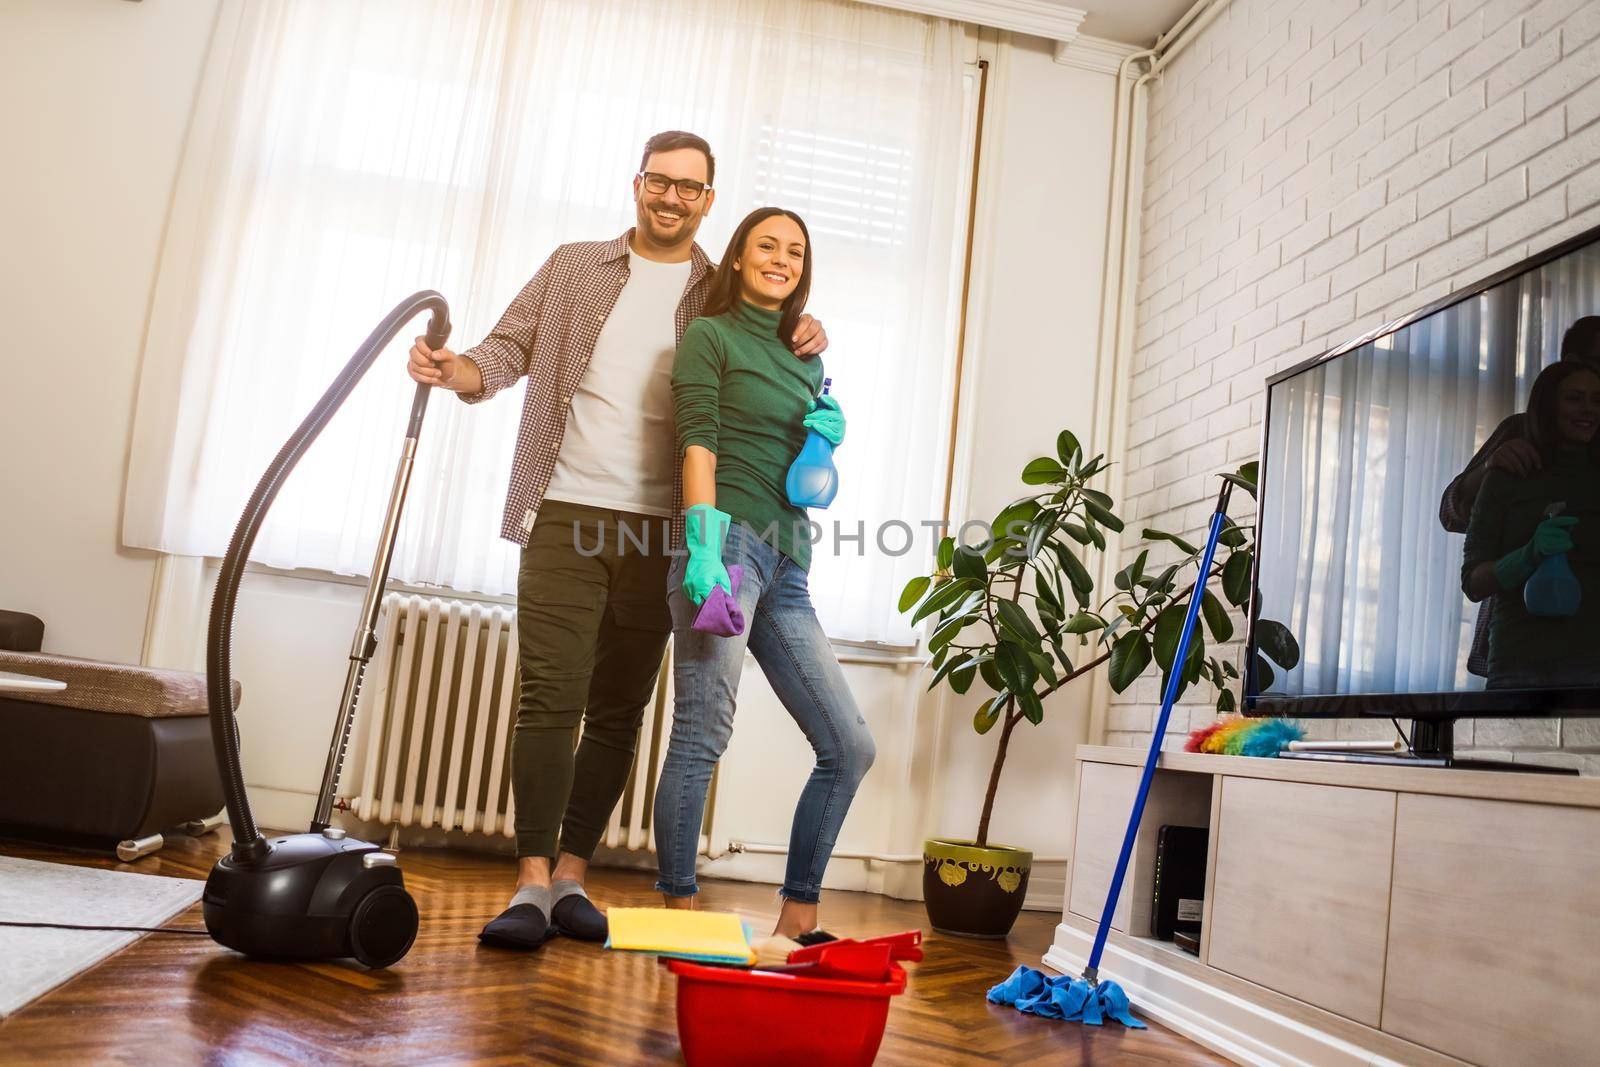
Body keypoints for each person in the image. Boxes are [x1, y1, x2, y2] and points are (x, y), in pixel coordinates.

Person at [407, 132, 829, 950]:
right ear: (638, 184)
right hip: (564, 508)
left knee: (619, 710)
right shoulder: (573, 267)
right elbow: (508, 350)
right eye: (659, 182)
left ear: (710, 201)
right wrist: (458, 370)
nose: (672, 198)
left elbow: (773, 342)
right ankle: (530, 881)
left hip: (666, 532)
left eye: (690, 188)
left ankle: (573, 874)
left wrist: (808, 327)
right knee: (548, 695)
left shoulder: (719, 287)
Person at [654, 207, 874, 940]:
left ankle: (798, 918)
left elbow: (805, 474)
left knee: (848, 746)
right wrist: (704, 546)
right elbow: (699, 446)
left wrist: (825, 435)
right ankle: (680, 913)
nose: (781, 258)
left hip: (788, 565)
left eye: (795, 251)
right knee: (703, 729)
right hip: (726, 545)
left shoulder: (807, 356)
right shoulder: (709, 337)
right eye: (766, 246)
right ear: (739, 260)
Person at [1440, 315, 1600, 676]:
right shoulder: (1520, 432)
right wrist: (1489, 469)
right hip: (1520, 651)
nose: (1587, 407)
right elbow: (1450, 512)